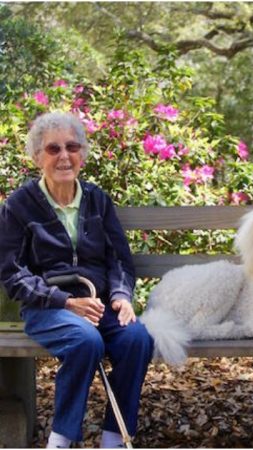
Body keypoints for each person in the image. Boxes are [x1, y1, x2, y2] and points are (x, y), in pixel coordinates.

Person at [0, 112, 153, 447]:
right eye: (53, 149)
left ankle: (115, 437)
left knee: (137, 339)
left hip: (100, 304)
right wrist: (65, 302)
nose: (64, 156)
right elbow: (12, 272)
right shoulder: (19, 206)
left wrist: (122, 295)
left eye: (72, 146)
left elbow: (119, 258)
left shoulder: (98, 200)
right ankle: (62, 438)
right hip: (47, 307)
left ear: (82, 153)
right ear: (37, 156)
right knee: (86, 341)